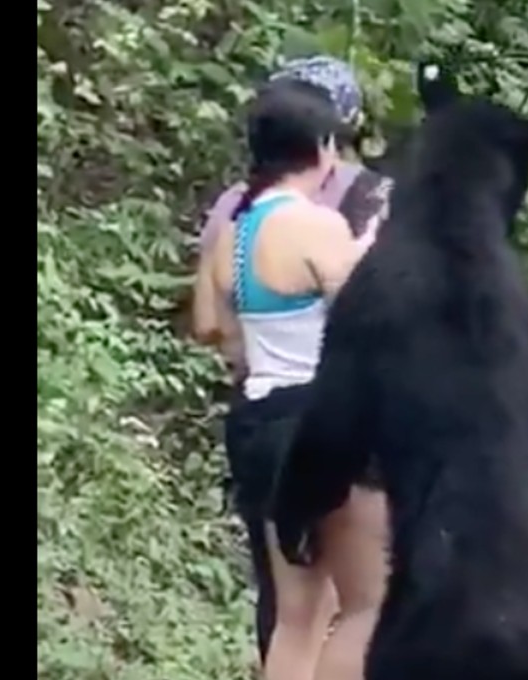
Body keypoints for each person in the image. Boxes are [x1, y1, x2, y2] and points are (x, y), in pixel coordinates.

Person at [191, 54, 392, 675]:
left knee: (295, 613)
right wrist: (372, 246)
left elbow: (211, 327)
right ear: (325, 147)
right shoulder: (317, 225)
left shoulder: (235, 230)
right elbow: (371, 315)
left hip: (258, 422)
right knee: (366, 605)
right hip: (326, 423)